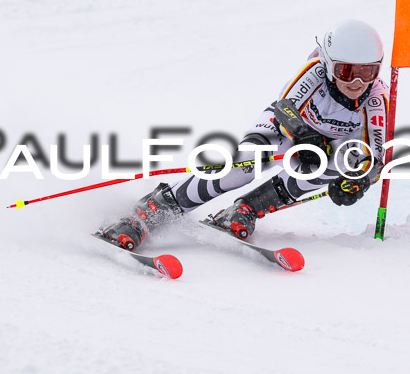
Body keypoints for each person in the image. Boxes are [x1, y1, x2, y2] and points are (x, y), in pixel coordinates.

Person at [99, 19, 389, 251]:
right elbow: (285, 107)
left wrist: (357, 183)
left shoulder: (376, 98)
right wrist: (302, 134)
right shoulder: (314, 72)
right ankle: (148, 212)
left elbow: (376, 158)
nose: (358, 81)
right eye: (347, 71)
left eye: (369, 71)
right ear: (328, 63)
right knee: (243, 166)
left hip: (324, 145)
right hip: (287, 127)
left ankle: (244, 210)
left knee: (346, 163)